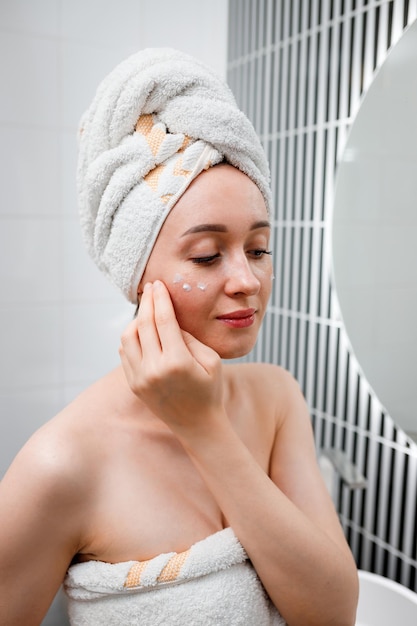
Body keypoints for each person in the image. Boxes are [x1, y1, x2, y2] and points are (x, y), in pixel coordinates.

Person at [0, 48, 358, 626]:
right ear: (137, 273)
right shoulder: (59, 464)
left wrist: (204, 430)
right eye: (207, 255)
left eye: (259, 249)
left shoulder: (276, 398)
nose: (247, 280)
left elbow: (332, 613)